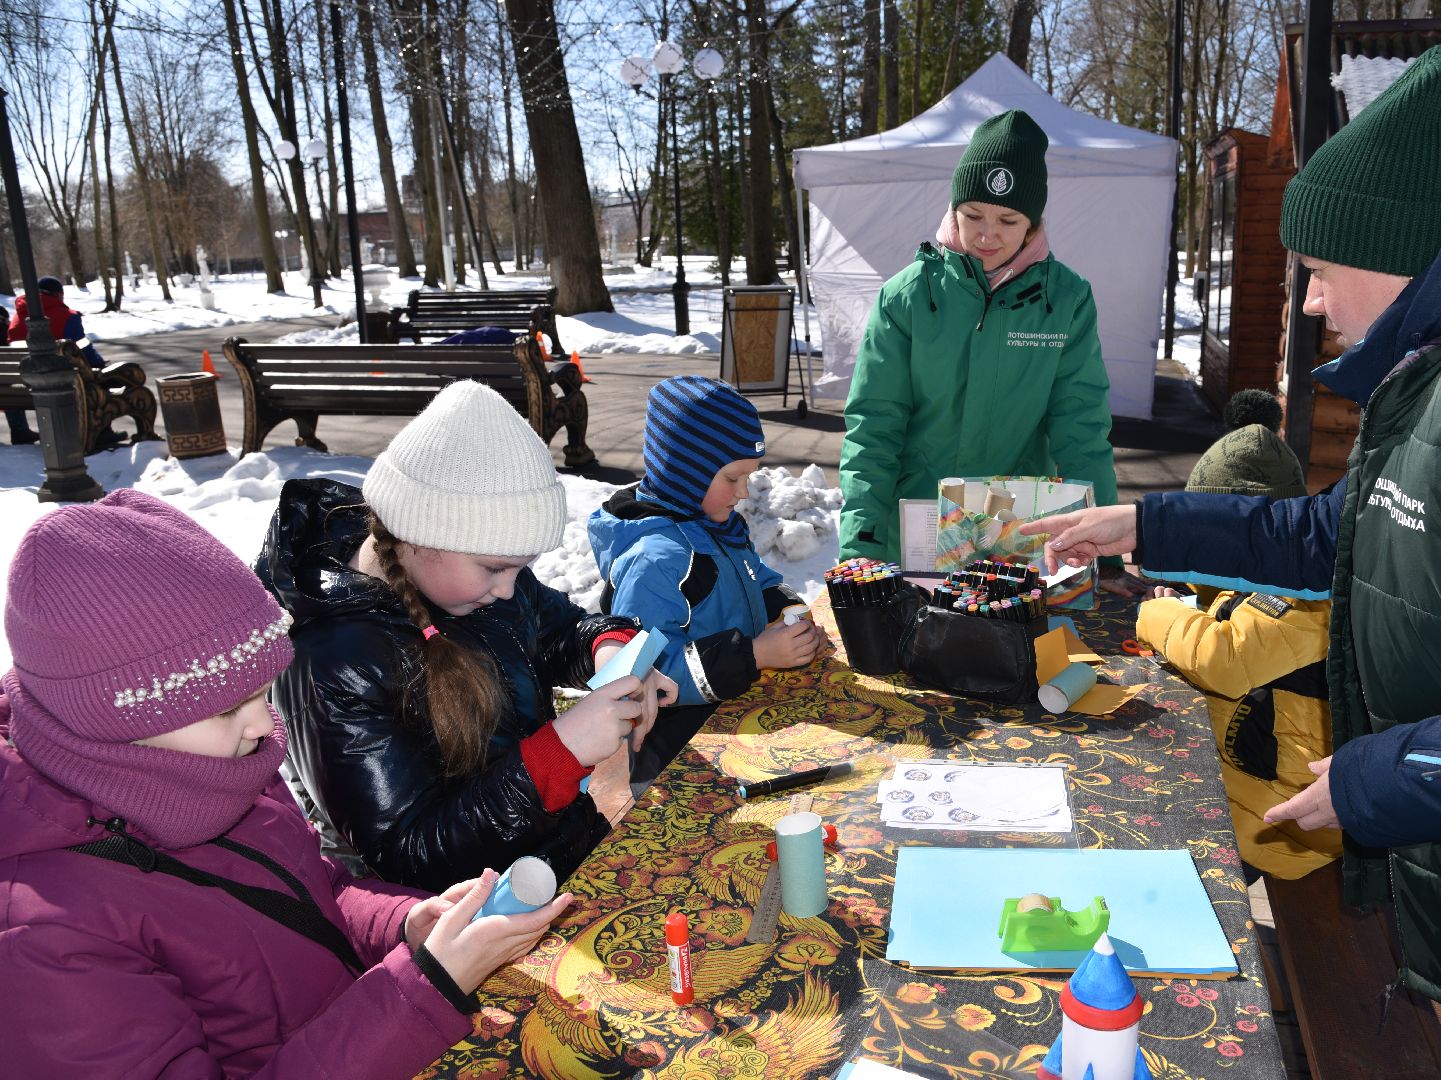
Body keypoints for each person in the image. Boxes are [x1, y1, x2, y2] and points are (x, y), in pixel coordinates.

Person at [1022, 47, 1441, 1075]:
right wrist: (1145, 527)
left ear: (1405, 251)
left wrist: (1374, 781)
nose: (1306, 304)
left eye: (1320, 272)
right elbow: (1333, 535)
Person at [0, 489, 573, 1077]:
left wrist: (403, 924)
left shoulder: (214, 764)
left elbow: (315, 892)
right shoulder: (41, 937)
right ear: (116, 719)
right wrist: (424, 989)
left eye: (260, 691)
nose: (263, 722)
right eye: (226, 708)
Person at [258, 380, 676, 893]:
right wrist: (555, 757)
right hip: (468, 917)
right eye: (495, 568)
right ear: (420, 533)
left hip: (550, 855)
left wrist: (609, 649)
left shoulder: (469, 578)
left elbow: (556, 631)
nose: (508, 589)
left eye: (520, 569)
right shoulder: (331, 659)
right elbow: (406, 854)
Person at [837, 109, 1136, 594]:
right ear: (953, 208)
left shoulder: (1065, 300)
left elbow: (1081, 429)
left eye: (1007, 219)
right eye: (972, 214)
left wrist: (1106, 552)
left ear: (1034, 222)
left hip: (1014, 536)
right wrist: (860, 548)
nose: (986, 235)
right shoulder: (907, 297)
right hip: (914, 533)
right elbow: (874, 427)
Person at [1132, 391, 1340, 882]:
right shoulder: (1252, 583)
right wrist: (1190, 604)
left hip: (1285, 819)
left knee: (1151, 800)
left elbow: (1222, 658)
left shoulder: (1307, 597)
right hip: (1260, 782)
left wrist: (1156, 613)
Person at [588, 375, 827, 788]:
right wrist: (753, 655)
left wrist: (789, 611)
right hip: (677, 761)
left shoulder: (716, 527)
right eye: (732, 478)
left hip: (730, 729)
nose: (744, 492)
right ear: (686, 472)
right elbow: (645, 673)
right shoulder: (656, 560)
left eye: (749, 477)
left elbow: (758, 578)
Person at [7, 275, 106, 444]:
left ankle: (19, 430)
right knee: (94, 378)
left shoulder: (17, 317)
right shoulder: (68, 316)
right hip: (61, 384)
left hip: (20, 387)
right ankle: (103, 431)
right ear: (58, 294)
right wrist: (99, 363)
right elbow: (84, 350)